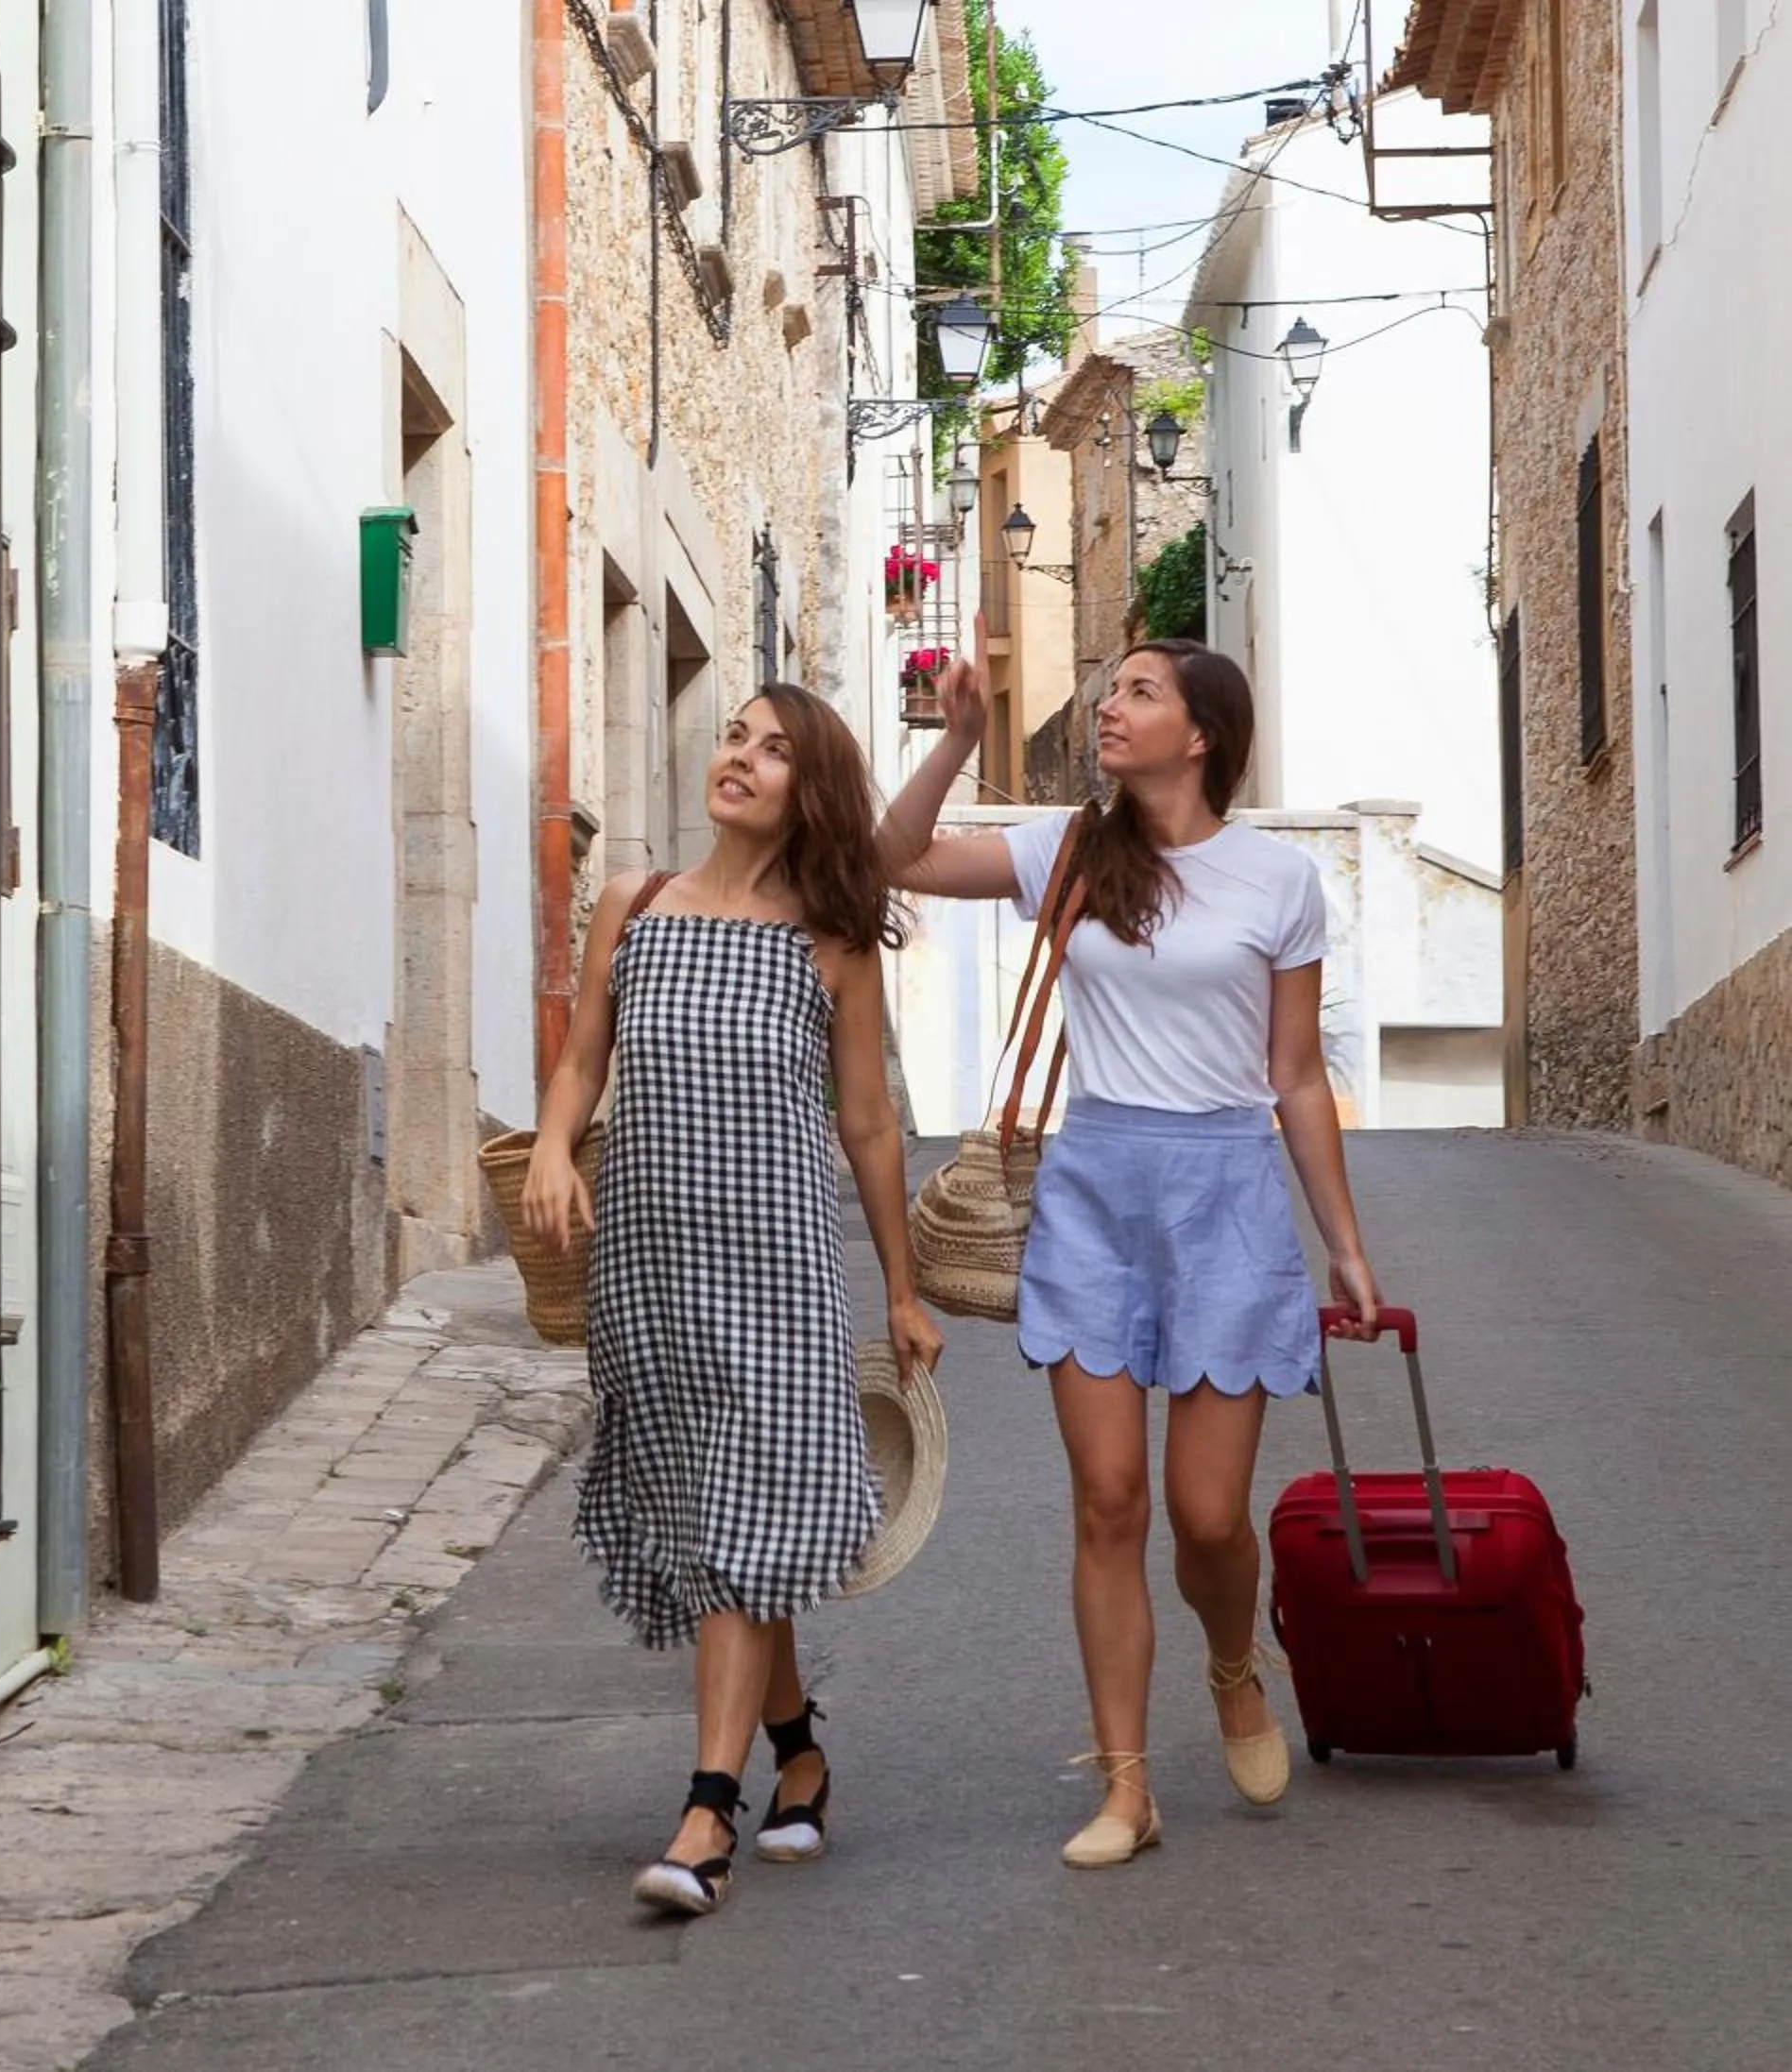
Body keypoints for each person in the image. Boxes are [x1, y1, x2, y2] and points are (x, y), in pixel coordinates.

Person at [879, 627, 1384, 1869]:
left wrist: (1347, 1246)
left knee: (1207, 1516)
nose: (1111, 707)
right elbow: (888, 857)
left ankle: (1229, 1663)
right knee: (1108, 1501)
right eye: (1111, 691)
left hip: (1225, 1197)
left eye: (1140, 693)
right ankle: (1125, 1786)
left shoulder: (1278, 882)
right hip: (1093, 1188)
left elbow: (1299, 1075)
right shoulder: (1068, 848)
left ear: (1201, 732)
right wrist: (956, 738)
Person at [521, 682, 942, 1919]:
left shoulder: (831, 943)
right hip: (646, 1268)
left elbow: (866, 1124)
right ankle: (799, 1746)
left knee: (748, 1517)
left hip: (778, 1272)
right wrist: (552, 1146)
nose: (740, 759)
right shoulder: (634, 906)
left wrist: (903, 1288)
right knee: (717, 1527)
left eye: (772, 749)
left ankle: (708, 1808)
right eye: (733, 736)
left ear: (808, 792)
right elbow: (584, 1056)